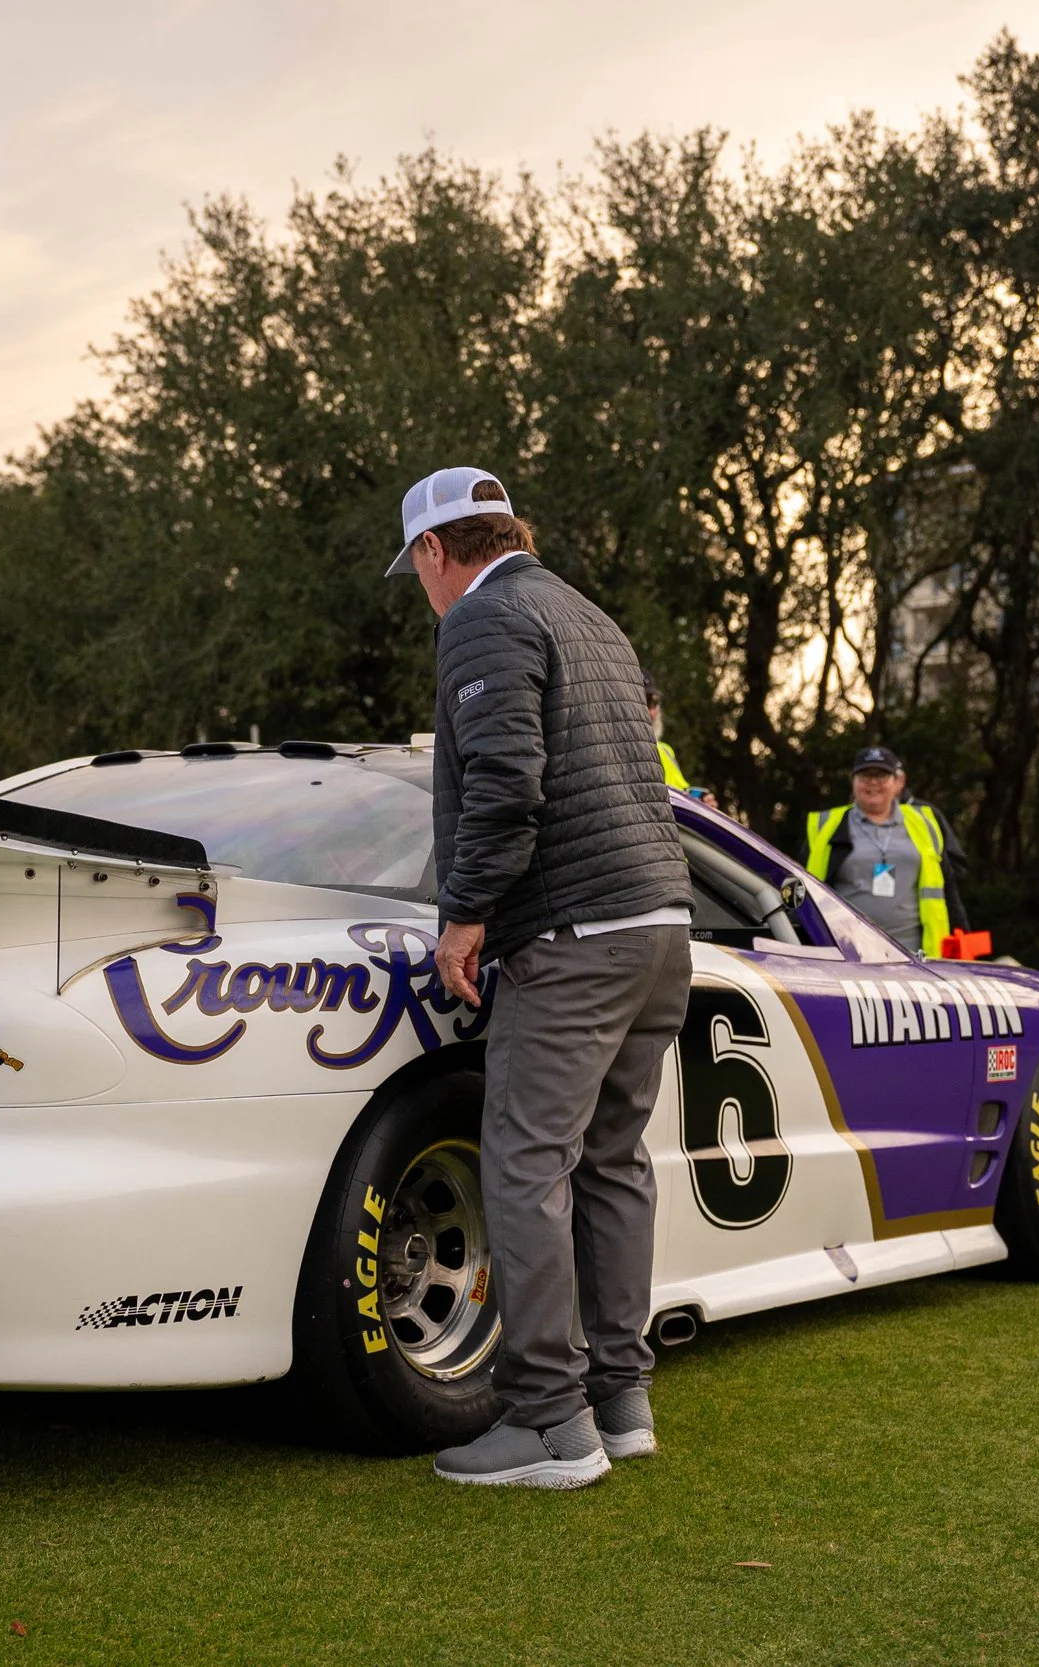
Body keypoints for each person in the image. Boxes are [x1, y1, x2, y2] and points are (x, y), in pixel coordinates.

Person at [389, 465, 693, 1489]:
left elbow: (507, 784)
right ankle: (622, 1398)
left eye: (416, 568)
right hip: (657, 925)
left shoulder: (482, 619)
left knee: (524, 1165)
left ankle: (549, 1424)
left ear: (438, 551)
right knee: (612, 1162)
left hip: (571, 933)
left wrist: (464, 916)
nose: (421, 589)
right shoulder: (587, 612)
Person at [802, 744, 969, 957]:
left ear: (897, 782)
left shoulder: (924, 822)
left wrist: (962, 937)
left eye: (881, 776)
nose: (873, 782)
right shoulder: (826, 824)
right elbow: (799, 887)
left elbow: (949, 887)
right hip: (846, 951)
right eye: (864, 775)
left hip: (916, 955)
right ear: (853, 782)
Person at [640, 673, 693, 794]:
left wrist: (701, 802)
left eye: (652, 702)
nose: (649, 711)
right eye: (641, 701)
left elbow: (683, 793)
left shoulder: (666, 751)